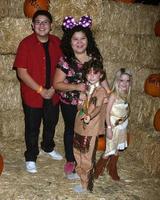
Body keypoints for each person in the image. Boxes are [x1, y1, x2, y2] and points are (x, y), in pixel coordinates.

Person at [53, 16, 110, 178]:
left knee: (87, 131)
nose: (79, 42)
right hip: (70, 103)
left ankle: (84, 160)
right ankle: (71, 160)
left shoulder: (95, 57)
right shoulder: (66, 60)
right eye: (75, 39)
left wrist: (109, 93)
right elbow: (57, 84)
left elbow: (102, 77)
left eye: (82, 38)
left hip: (91, 103)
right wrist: (76, 87)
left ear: (88, 40)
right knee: (72, 130)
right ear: (69, 42)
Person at [13, 10, 63, 173]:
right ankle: (31, 156)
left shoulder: (58, 42)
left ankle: (48, 147)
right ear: (32, 25)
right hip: (33, 94)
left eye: (45, 22)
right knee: (32, 127)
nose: (42, 25)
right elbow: (22, 72)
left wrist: (54, 88)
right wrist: (41, 90)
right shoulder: (25, 44)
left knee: (51, 123)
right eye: (38, 22)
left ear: (51, 25)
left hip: (54, 93)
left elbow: (64, 68)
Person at [73, 60, 108, 193]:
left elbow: (98, 108)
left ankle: (85, 183)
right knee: (77, 152)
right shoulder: (85, 89)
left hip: (90, 128)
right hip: (79, 126)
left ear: (101, 75)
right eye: (89, 73)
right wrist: (81, 100)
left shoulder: (101, 91)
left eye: (95, 73)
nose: (92, 76)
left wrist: (90, 116)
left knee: (86, 155)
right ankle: (80, 174)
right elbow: (79, 108)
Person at [94, 68, 132, 181]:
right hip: (113, 127)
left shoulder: (126, 94)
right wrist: (109, 128)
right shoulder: (113, 95)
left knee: (116, 150)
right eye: (122, 80)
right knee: (109, 150)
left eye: (127, 80)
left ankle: (112, 168)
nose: (124, 83)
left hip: (122, 127)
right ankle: (97, 170)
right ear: (117, 81)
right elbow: (107, 112)